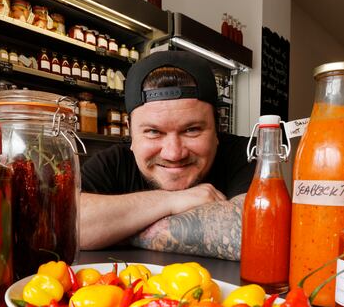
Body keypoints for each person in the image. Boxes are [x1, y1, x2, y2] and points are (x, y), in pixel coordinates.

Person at [80, 50, 255, 260]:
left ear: (217, 128)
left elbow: (254, 233)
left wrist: (114, 229)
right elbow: (63, 223)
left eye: (191, 130)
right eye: (153, 132)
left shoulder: (246, 154)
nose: (173, 153)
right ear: (130, 131)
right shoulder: (112, 162)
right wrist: (170, 201)